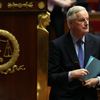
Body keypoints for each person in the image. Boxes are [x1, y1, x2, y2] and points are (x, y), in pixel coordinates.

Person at [48, 6, 100, 100]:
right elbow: (50, 77)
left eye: (87, 19)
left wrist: (97, 80)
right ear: (70, 24)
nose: (86, 23)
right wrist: (71, 74)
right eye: (81, 20)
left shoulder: (97, 42)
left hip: (89, 96)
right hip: (65, 96)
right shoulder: (57, 45)